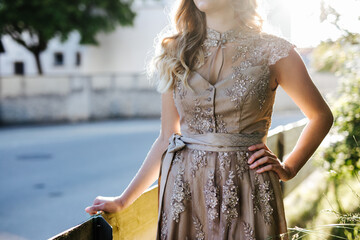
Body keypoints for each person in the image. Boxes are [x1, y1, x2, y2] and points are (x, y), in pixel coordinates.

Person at [85, 0, 334, 239]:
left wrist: (288, 168)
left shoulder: (275, 52)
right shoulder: (175, 51)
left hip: (248, 188)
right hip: (185, 193)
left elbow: (320, 116)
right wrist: (123, 200)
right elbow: (166, 138)